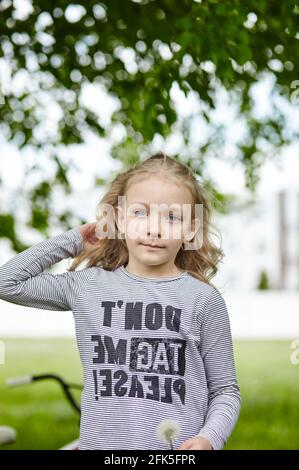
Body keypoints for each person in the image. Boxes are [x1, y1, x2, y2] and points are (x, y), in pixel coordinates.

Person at [0, 152, 241, 450]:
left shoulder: (204, 301)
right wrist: (76, 239)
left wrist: (209, 438)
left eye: (172, 216)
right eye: (140, 213)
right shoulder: (88, 286)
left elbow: (225, 391)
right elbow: (6, 282)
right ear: (119, 219)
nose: (155, 229)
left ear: (191, 229)